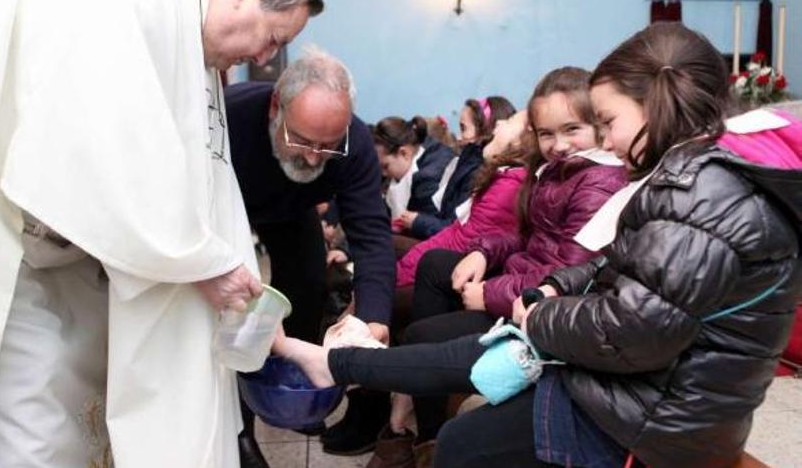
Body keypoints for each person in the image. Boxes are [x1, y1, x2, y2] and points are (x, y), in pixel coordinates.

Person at [275, 23, 802, 468]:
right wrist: (552, 287)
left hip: (658, 420)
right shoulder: (694, 178)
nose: (608, 140)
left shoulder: (701, 193)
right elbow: (610, 269)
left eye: (608, 122)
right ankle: (336, 366)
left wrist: (538, 317)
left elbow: (633, 332)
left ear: (658, 102)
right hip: (651, 391)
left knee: (466, 440)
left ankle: (339, 369)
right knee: (470, 351)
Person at [0, 0, 322, 467]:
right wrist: (202, 262)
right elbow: (110, 155)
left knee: (66, 403)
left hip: (59, 252)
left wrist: (263, 326)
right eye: (274, 39)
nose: (265, 59)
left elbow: (207, 188)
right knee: (30, 420)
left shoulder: (190, 37)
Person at [364, 67, 627, 467]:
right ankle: (422, 428)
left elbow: (568, 273)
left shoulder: (596, 182)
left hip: (539, 309)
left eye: (572, 129)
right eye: (546, 133)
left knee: (421, 330)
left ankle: (424, 430)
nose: (558, 145)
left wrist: (488, 292)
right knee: (436, 264)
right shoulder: (554, 172)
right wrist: (484, 252)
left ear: (600, 127)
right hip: (519, 284)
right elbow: (520, 236)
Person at [224, 48, 395, 467]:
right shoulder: (230, 117)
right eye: (301, 139)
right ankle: (237, 431)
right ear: (275, 110)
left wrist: (374, 319)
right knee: (237, 309)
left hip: (295, 209)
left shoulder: (354, 142)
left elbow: (371, 232)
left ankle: (291, 390)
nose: (314, 157)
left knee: (308, 286)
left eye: (328, 146)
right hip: (226, 205)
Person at [397, 97, 515, 240]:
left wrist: (418, 222)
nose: (459, 137)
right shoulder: (466, 162)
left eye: (463, 128)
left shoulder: (479, 172)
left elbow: (458, 228)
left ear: (485, 131)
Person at [373, 116, 455, 226]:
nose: (383, 173)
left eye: (386, 166)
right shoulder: (424, 152)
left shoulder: (427, 180)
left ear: (404, 153)